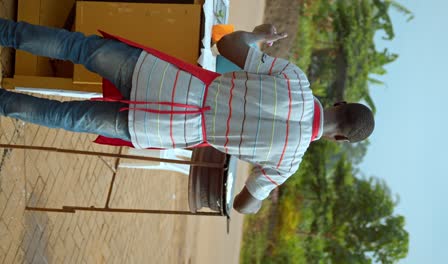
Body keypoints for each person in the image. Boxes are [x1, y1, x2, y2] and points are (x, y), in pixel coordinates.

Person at [0, 19, 374, 214]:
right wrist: (259, 197)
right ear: (339, 138)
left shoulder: (296, 80)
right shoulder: (286, 163)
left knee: (75, 47)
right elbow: (243, 204)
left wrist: (259, 37)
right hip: (164, 128)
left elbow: (226, 43)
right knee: (69, 118)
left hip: (167, 79)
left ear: (338, 104)